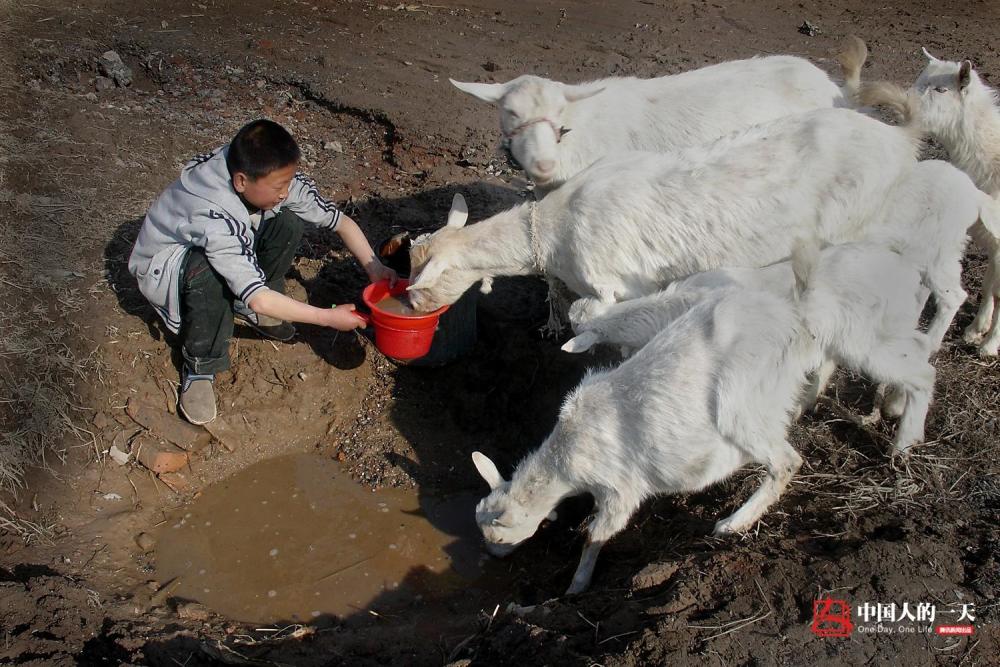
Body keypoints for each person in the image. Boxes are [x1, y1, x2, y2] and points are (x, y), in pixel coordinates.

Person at [128, 119, 396, 425]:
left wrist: (376, 269)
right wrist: (327, 317)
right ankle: (201, 366)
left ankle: (246, 302)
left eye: (288, 182)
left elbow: (339, 222)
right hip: (165, 268)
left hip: (227, 238)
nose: (285, 192)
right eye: (280, 186)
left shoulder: (262, 173)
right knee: (209, 272)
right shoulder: (215, 216)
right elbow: (258, 296)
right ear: (241, 181)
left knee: (288, 221)